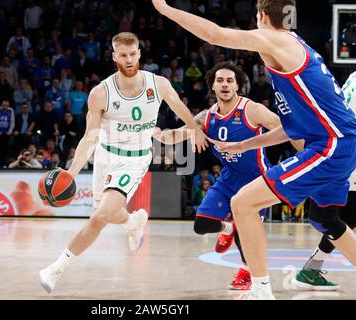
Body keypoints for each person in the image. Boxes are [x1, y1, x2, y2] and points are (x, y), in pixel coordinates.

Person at [152, 0, 356, 299]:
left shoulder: (276, 39)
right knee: (326, 220)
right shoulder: (294, 50)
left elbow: (215, 34)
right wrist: (244, 144)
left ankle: (261, 290)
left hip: (331, 146)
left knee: (243, 203)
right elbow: (289, 128)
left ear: (261, 17)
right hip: (338, 143)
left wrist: (165, 9)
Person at [38, 32, 209, 294]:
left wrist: (193, 128)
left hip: (134, 160)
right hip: (105, 156)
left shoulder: (159, 84)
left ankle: (56, 269)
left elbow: (178, 106)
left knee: (99, 217)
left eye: (133, 54)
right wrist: (71, 172)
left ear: (139, 53)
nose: (129, 59)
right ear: (114, 56)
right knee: (110, 213)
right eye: (123, 55)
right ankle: (133, 222)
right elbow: (89, 138)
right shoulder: (100, 93)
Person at [154, 63, 302, 291]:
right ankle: (228, 229)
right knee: (202, 225)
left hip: (257, 179)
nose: (225, 84)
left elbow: (285, 129)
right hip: (229, 177)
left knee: (247, 232)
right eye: (220, 80)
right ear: (212, 85)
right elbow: (176, 135)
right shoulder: (207, 116)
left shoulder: (251, 109)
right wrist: (156, 134)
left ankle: (246, 272)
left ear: (237, 85)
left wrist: (249, 145)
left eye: (230, 81)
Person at [292, 72, 356, 291]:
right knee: (330, 218)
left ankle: (311, 268)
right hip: (344, 156)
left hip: (339, 156)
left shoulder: (352, 78)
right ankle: (311, 269)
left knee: (343, 219)